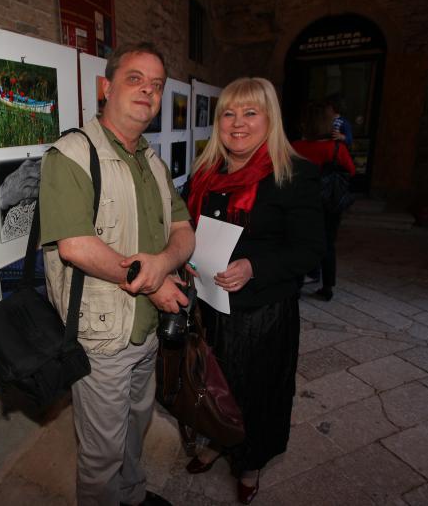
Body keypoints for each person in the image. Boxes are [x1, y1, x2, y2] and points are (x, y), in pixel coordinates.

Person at [39, 43, 195, 506]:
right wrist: (154, 280)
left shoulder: (153, 161)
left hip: (146, 330)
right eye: (135, 79)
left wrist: (163, 266)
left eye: (156, 85)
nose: (147, 91)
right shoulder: (71, 155)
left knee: (136, 426)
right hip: (102, 335)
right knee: (101, 452)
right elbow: (77, 247)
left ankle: (133, 496)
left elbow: (184, 232)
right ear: (106, 87)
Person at [183, 78, 324, 504]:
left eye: (250, 113)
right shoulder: (205, 174)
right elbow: (189, 231)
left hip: (263, 311)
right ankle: (215, 440)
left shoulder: (294, 175)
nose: (237, 123)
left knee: (258, 390)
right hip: (209, 305)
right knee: (210, 381)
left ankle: (250, 462)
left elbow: (310, 249)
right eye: (229, 113)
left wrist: (254, 266)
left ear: (269, 119)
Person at [292, 103, 356, 301]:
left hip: (302, 203)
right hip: (330, 204)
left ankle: (297, 284)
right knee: (328, 244)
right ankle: (327, 287)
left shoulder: (297, 147)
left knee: (300, 242)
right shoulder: (336, 148)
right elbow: (351, 171)